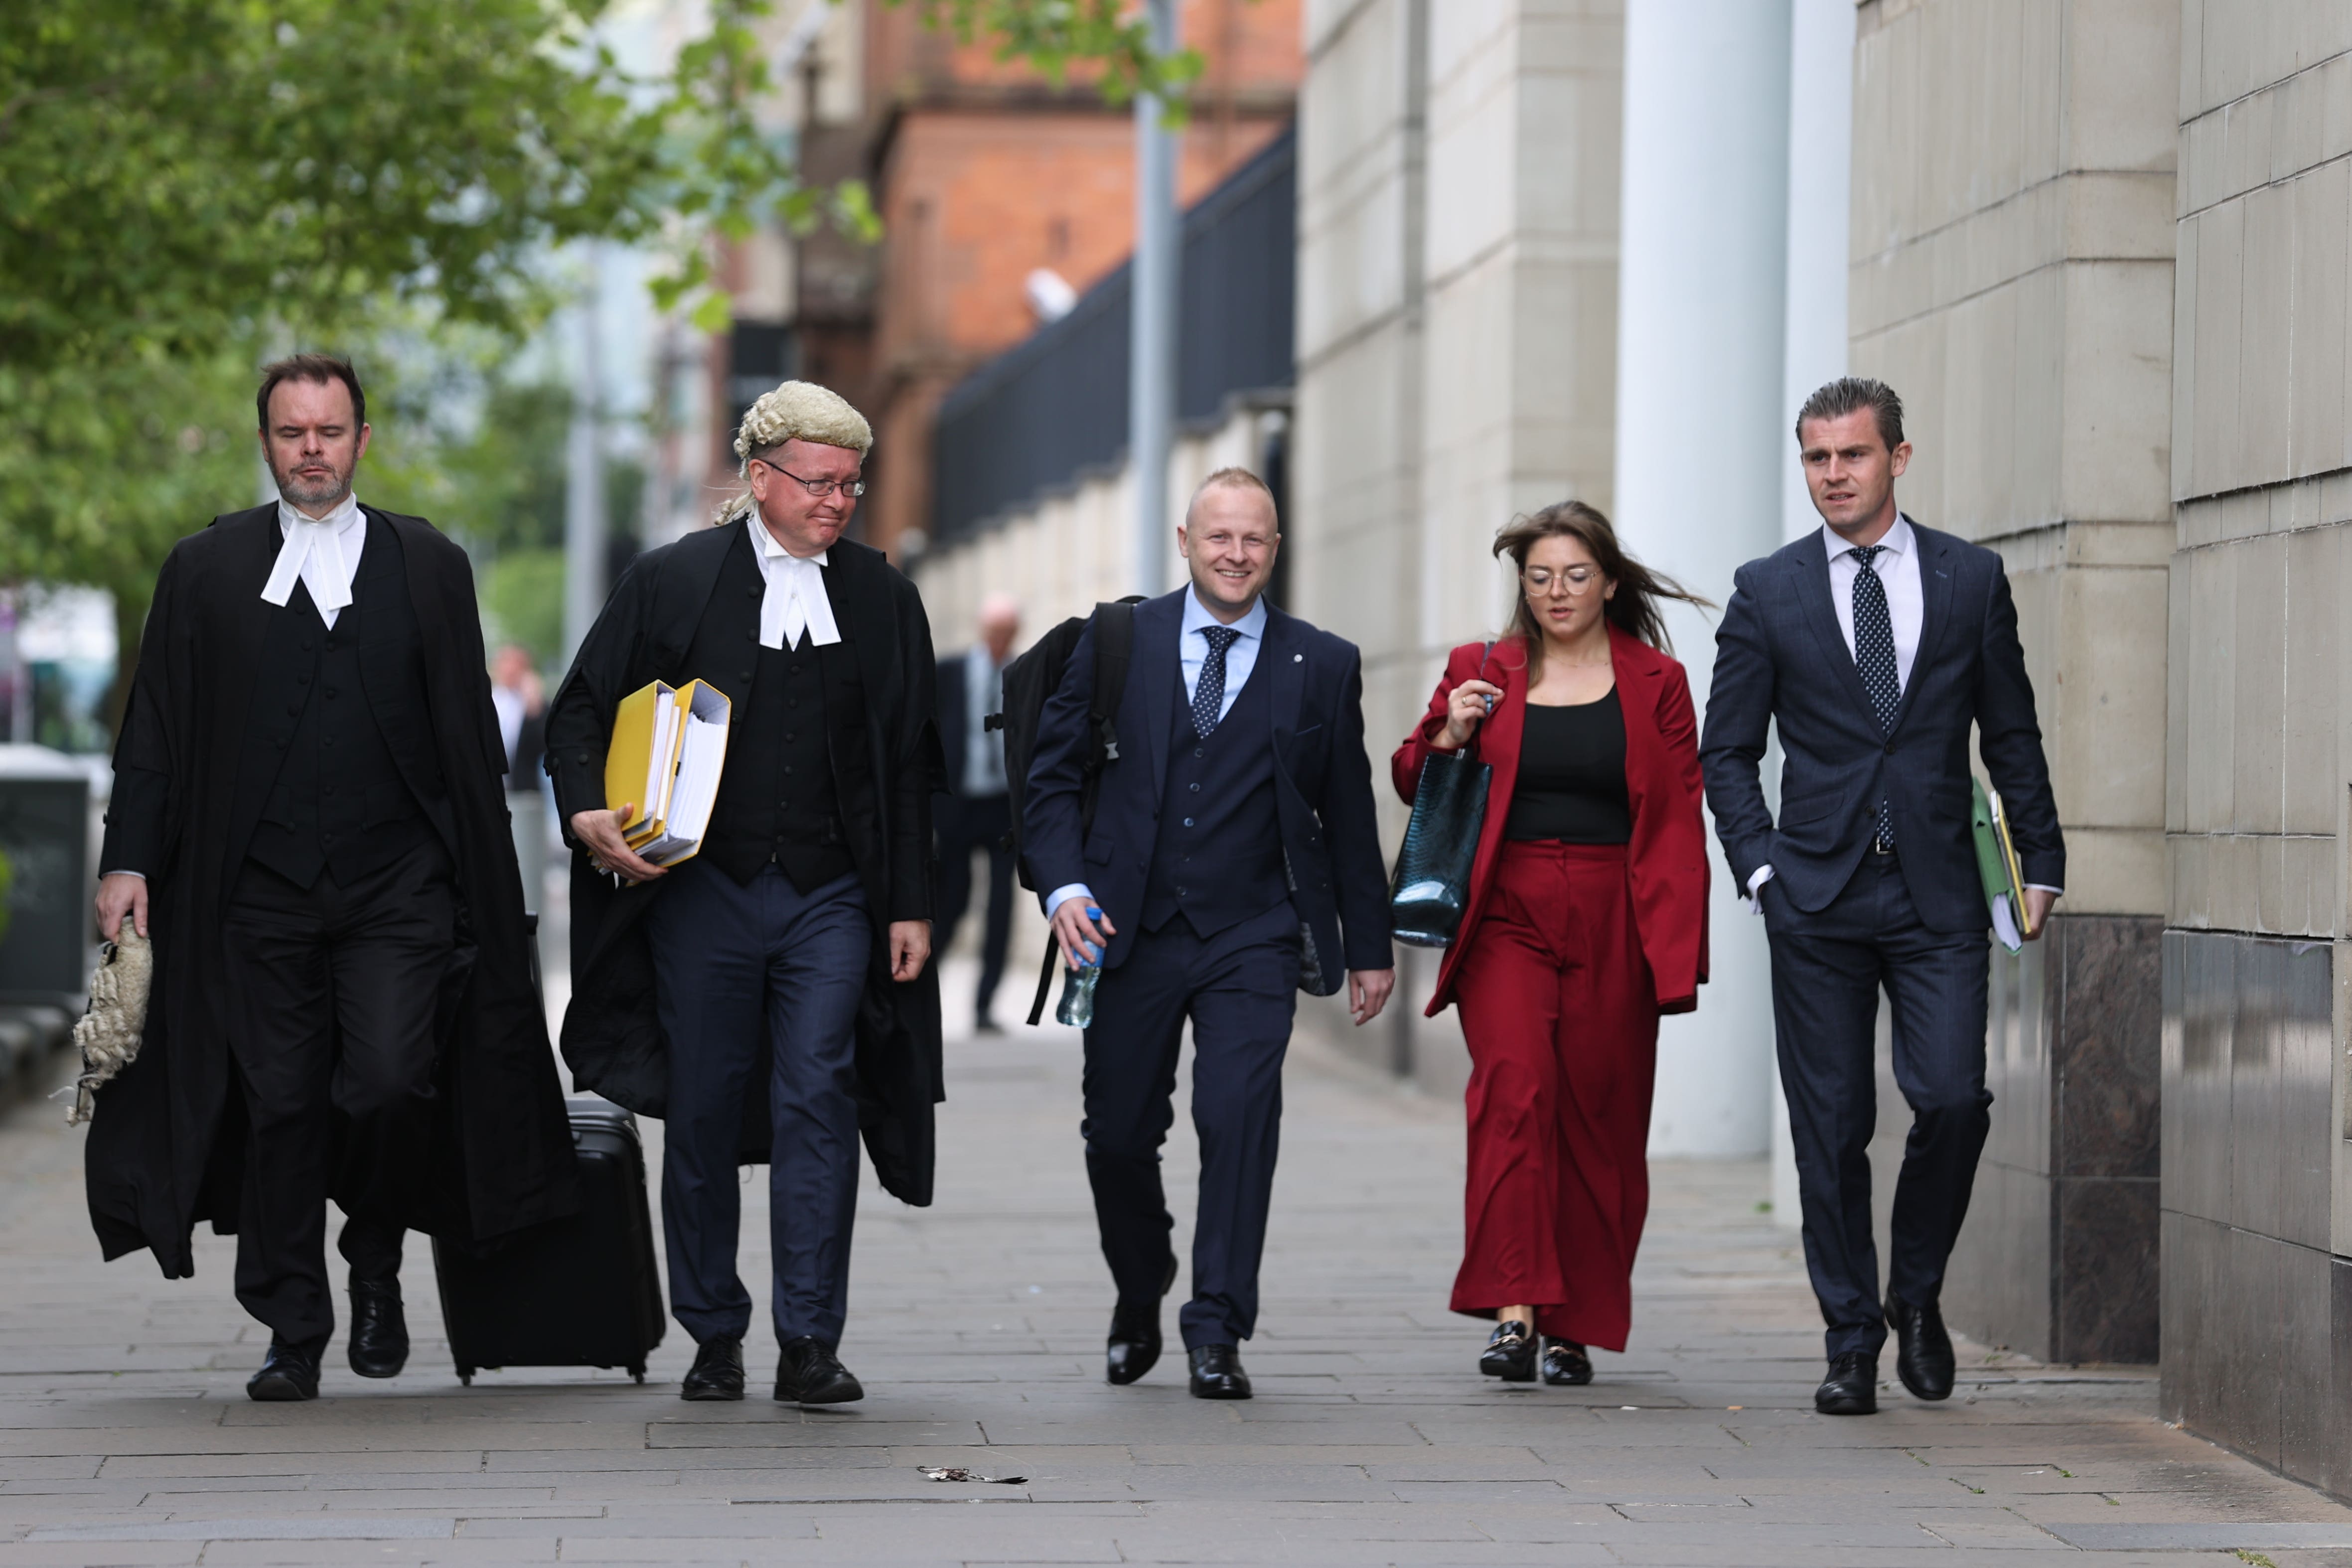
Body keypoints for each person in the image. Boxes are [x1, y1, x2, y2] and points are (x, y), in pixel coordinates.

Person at [85, 353, 578, 1402]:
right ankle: (293, 1326)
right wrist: (128, 857)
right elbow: (156, 730)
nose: (312, 449)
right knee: (280, 1103)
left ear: (363, 439)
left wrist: (490, 887)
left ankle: (374, 1253)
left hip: (399, 884)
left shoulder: (431, 564)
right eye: (292, 431)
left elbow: (466, 742)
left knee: (391, 1081)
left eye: (330, 430)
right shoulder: (204, 569)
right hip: (253, 888)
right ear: (266, 441)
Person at [546, 381, 942, 1408]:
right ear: (759, 478)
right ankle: (713, 1331)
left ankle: (809, 1338)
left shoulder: (882, 597)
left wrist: (908, 902)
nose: (836, 501)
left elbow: (911, 760)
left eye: (850, 484)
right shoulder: (673, 579)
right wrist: (586, 809)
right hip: (701, 893)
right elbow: (578, 710)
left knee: (820, 1096)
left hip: (833, 895)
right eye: (817, 482)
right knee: (705, 1106)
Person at [1699, 377, 2063, 1417]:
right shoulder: (1766, 589)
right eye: (1816, 458)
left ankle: (1916, 1289)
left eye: (1851, 455)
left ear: (1897, 457)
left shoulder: (1968, 578)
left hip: (1938, 890)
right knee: (1830, 1125)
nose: (1832, 475)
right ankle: (1851, 1338)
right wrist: (1760, 868)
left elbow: (2011, 730)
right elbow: (1726, 750)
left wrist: (2039, 860)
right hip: (1813, 895)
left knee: (1951, 1097)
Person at [1024, 466, 1394, 1400]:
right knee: (1117, 1134)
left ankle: (1217, 1325)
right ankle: (1142, 1276)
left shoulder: (1323, 662)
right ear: (1186, 542)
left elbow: (1349, 812)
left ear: (1276, 548)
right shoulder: (1120, 641)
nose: (1236, 554)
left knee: (1239, 1117)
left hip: (1253, 931)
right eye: (1219, 537)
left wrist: (1370, 946)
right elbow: (1051, 779)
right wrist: (1064, 886)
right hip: (1127, 927)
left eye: (1254, 538)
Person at [1392, 502, 1710, 1388]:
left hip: (1616, 910)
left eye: (1575, 575)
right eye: (1539, 577)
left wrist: (1676, 950)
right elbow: (1413, 778)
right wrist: (1450, 732)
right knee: (1514, 1091)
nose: (1557, 592)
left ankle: (1576, 1326)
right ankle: (1516, 1310)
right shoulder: (1482, 668)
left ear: (1608, 581)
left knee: (1601, 1118)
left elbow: (1679, 815)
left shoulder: (1659, 681)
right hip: (1507, 908)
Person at [933, 594, 1021, 1032]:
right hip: (958, 804)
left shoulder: (1024, 674)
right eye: (994, 631)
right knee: (951, 898)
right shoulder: (950, 672)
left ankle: (985, 1004)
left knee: (1001, 906)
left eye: (1008, 631)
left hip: (1004, 805)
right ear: (982, 630)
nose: (1000, 639)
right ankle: (923, 986)